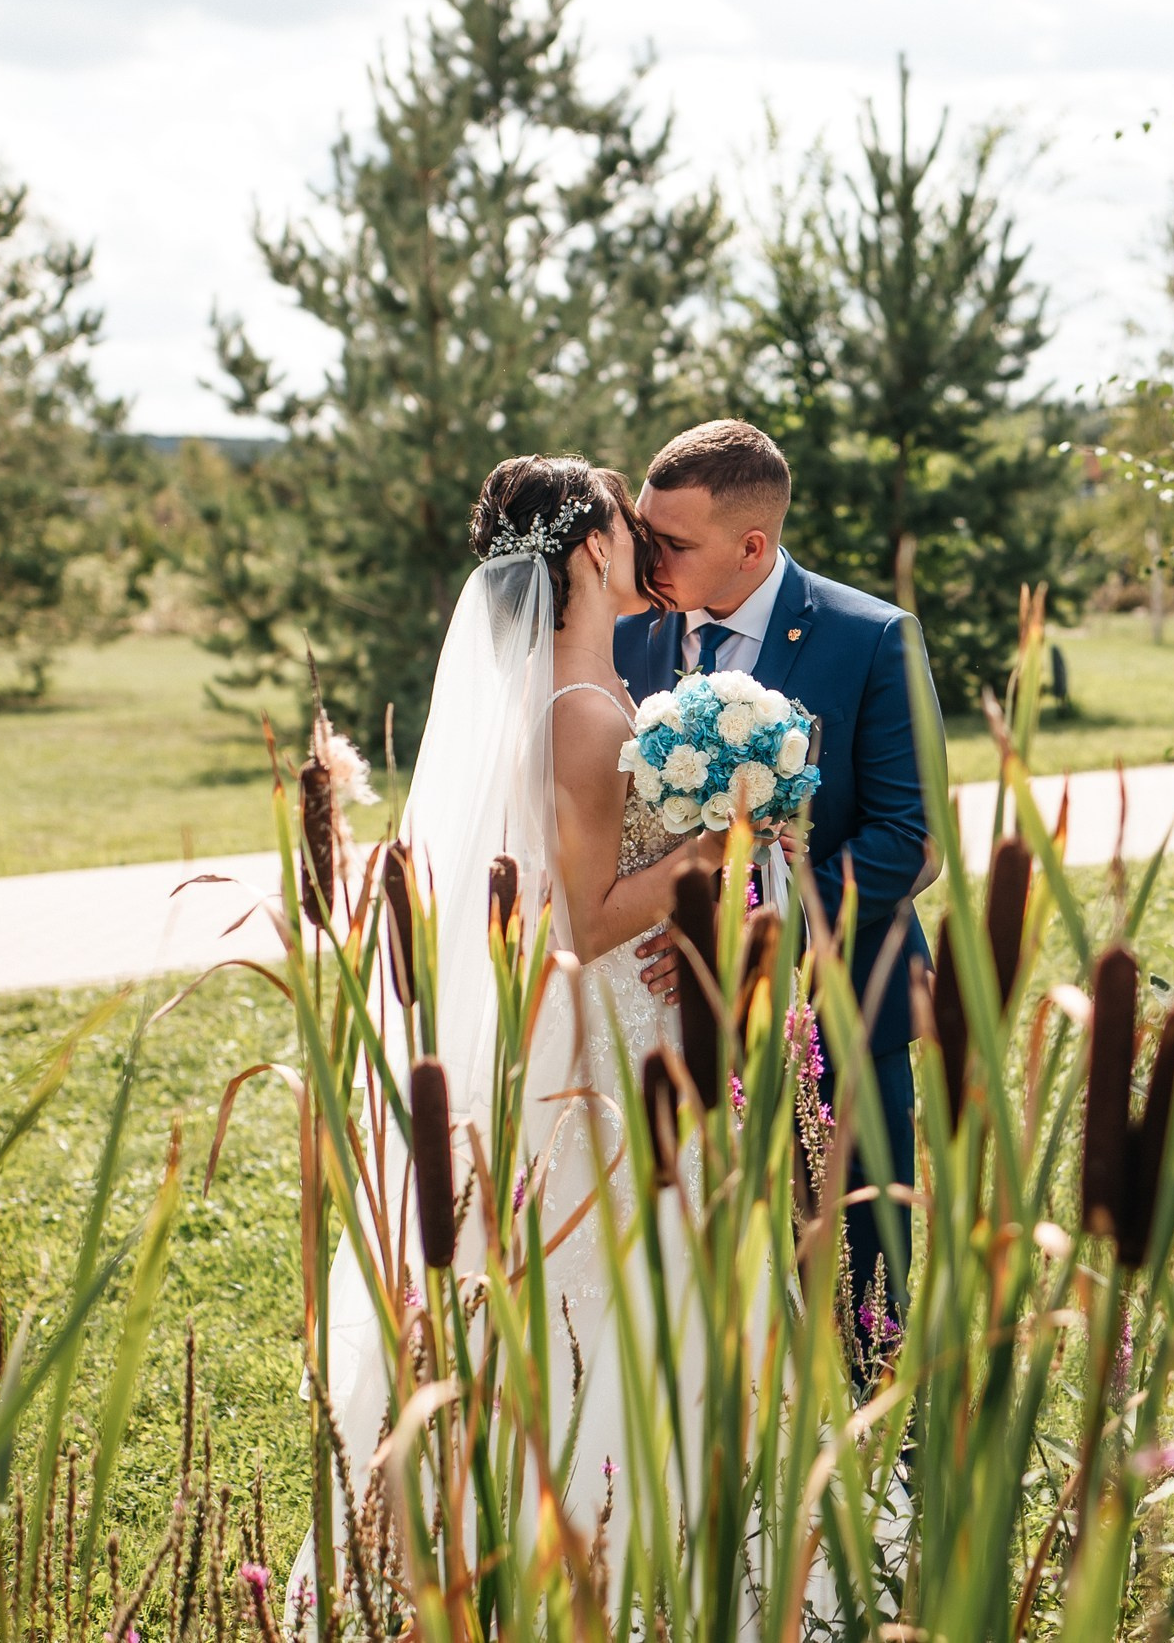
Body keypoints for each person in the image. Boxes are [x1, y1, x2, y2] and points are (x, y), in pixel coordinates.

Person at [295, 455, 731, 1608]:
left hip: (586, 1032)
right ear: (591, 545)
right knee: (619, 1283)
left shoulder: (575, 694)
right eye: (631, 527)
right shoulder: (582, 714)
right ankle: (623, 1552)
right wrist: (722, 841)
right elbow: (587, 921)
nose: (645, 545)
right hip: (599, 1041)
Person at [613, 419, 941, 1337]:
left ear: (752, 545)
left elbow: (911, 839)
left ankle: (886, 1474)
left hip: (834, 1000)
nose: (648, 557)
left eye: (671, 542)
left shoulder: (871, 637)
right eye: (643, 533)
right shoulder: (628, 634)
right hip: (665, 1015)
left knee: (858, 1268)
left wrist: (754, 932)